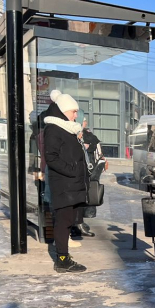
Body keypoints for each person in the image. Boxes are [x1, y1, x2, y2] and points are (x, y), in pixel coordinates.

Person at [43, 93, 89, 273]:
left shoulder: (67, 128)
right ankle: (62, 260)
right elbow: (51, 158)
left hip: (71, 183)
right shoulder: (54, 129)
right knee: (63, 221)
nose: (76, 115)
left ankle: (64, 255)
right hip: (64, 184)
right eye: (74, 111)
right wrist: (72, 170)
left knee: (68, 220)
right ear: (63, 110)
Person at [70, 113, 108, 241]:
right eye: (84, 120)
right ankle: (76, 225)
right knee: (78, 198)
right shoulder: (77, 134)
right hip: (79, 171)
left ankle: (78, 224)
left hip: (84, 171)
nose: (85, 123)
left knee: (81, 198)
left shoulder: (87, 136)